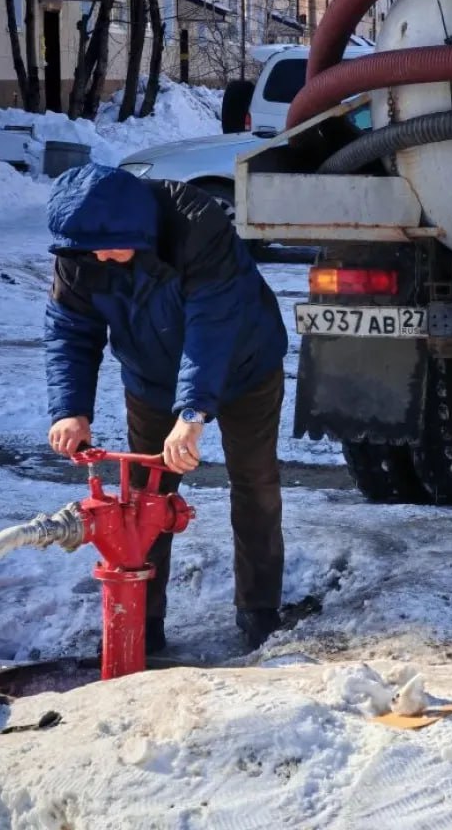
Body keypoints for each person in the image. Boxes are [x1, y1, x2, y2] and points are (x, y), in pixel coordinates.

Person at [42, 162, 289, 654]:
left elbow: (213, 322)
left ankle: (258, 610)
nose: (101, 258)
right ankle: (143, 620)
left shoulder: (195, 223)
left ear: (136, 227)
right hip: (150, 380)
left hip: (245, 367)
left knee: (254, 483)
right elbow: (70, 332)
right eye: (89, 251)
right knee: (144, 501)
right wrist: (71, 409)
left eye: (109, 246)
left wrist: (193, 413)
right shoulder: (81, 252)